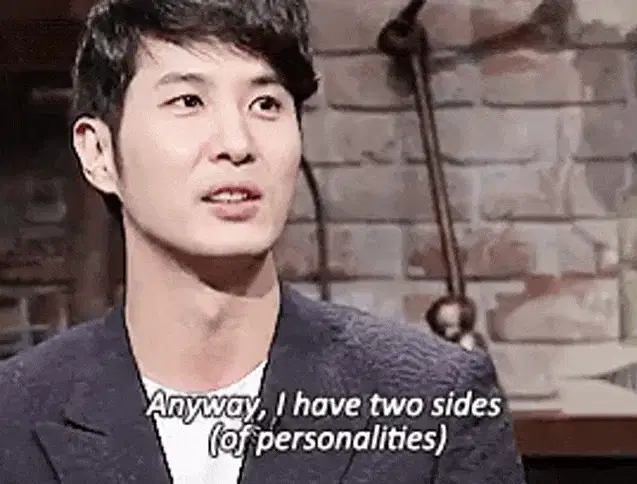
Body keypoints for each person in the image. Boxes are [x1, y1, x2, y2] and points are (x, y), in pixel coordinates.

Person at [0, 0, 526, 483]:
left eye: (266, 104)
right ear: (98, 153)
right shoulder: (14, 415)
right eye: (188, 100)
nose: (237, 144)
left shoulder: (435, 404)